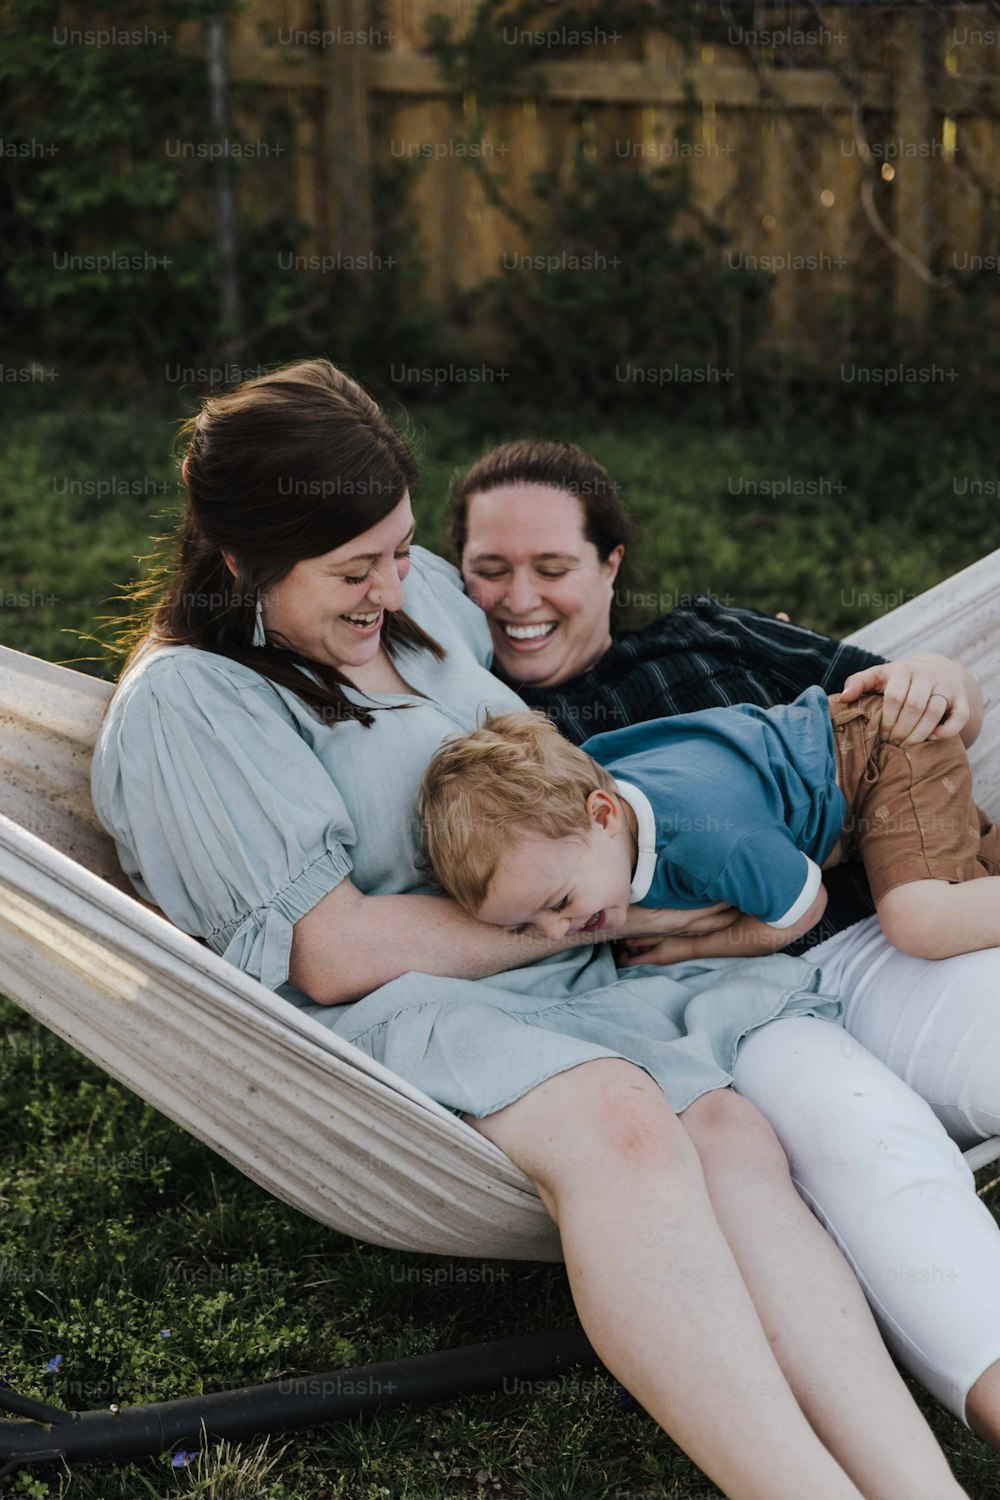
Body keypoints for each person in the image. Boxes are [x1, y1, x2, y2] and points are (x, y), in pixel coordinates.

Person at [89, 360, 975, 1500]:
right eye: (353, 569)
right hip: (393, 1007)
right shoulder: (193, 704)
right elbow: (329, 950)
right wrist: (598, 918)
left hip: (573, 975)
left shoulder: (422, 607)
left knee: (738, 1142)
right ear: (239, 561)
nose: (392, 587)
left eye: (403, 549)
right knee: (621, 1120)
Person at [451, 435, 1000, 1443]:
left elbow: (891, 706)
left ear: (609, 563)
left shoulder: (703, 643)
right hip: (739, 1018)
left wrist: (940, 679)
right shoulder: (476, 745)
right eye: (487, 570)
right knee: (870, 1150)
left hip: (880, 914)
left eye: (550, 567)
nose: (517, 598)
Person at [418, 693, 1000, 961]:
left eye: (558, 902)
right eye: (526, 928)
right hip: (846, 768)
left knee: (921, 920)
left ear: (602, 813)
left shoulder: (706, 841)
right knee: (974, 868)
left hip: (880, 760)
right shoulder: (595, 819)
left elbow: (804, 907)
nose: (554, 931)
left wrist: (695, 943)